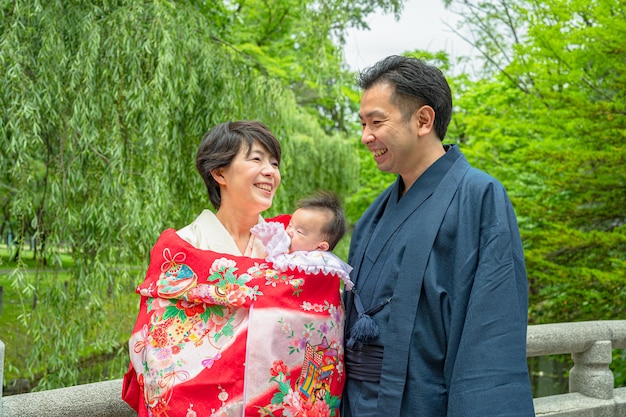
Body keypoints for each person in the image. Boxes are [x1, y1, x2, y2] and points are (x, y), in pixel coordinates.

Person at [341, 55, 535, 416]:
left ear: (423, 120)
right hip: (357, 403)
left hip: (426, 403)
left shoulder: (479, 198)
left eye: (376, 122)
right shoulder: (374, 214)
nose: (366, 136)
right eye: (363, 123)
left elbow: (490, 335)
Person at [122, 121, 346, 417]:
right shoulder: (183, 249)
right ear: (219, 173)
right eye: (256, 159)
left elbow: (321, 325)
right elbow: (156, 346)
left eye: (274, 163)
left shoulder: (291, 247)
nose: (271, 171)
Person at [251, 190, 354, 290]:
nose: (289, 232)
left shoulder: (319, 264)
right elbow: (261, 266)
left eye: (299, 231)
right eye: (290, 225)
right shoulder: (282, 253)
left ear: (320, 247)